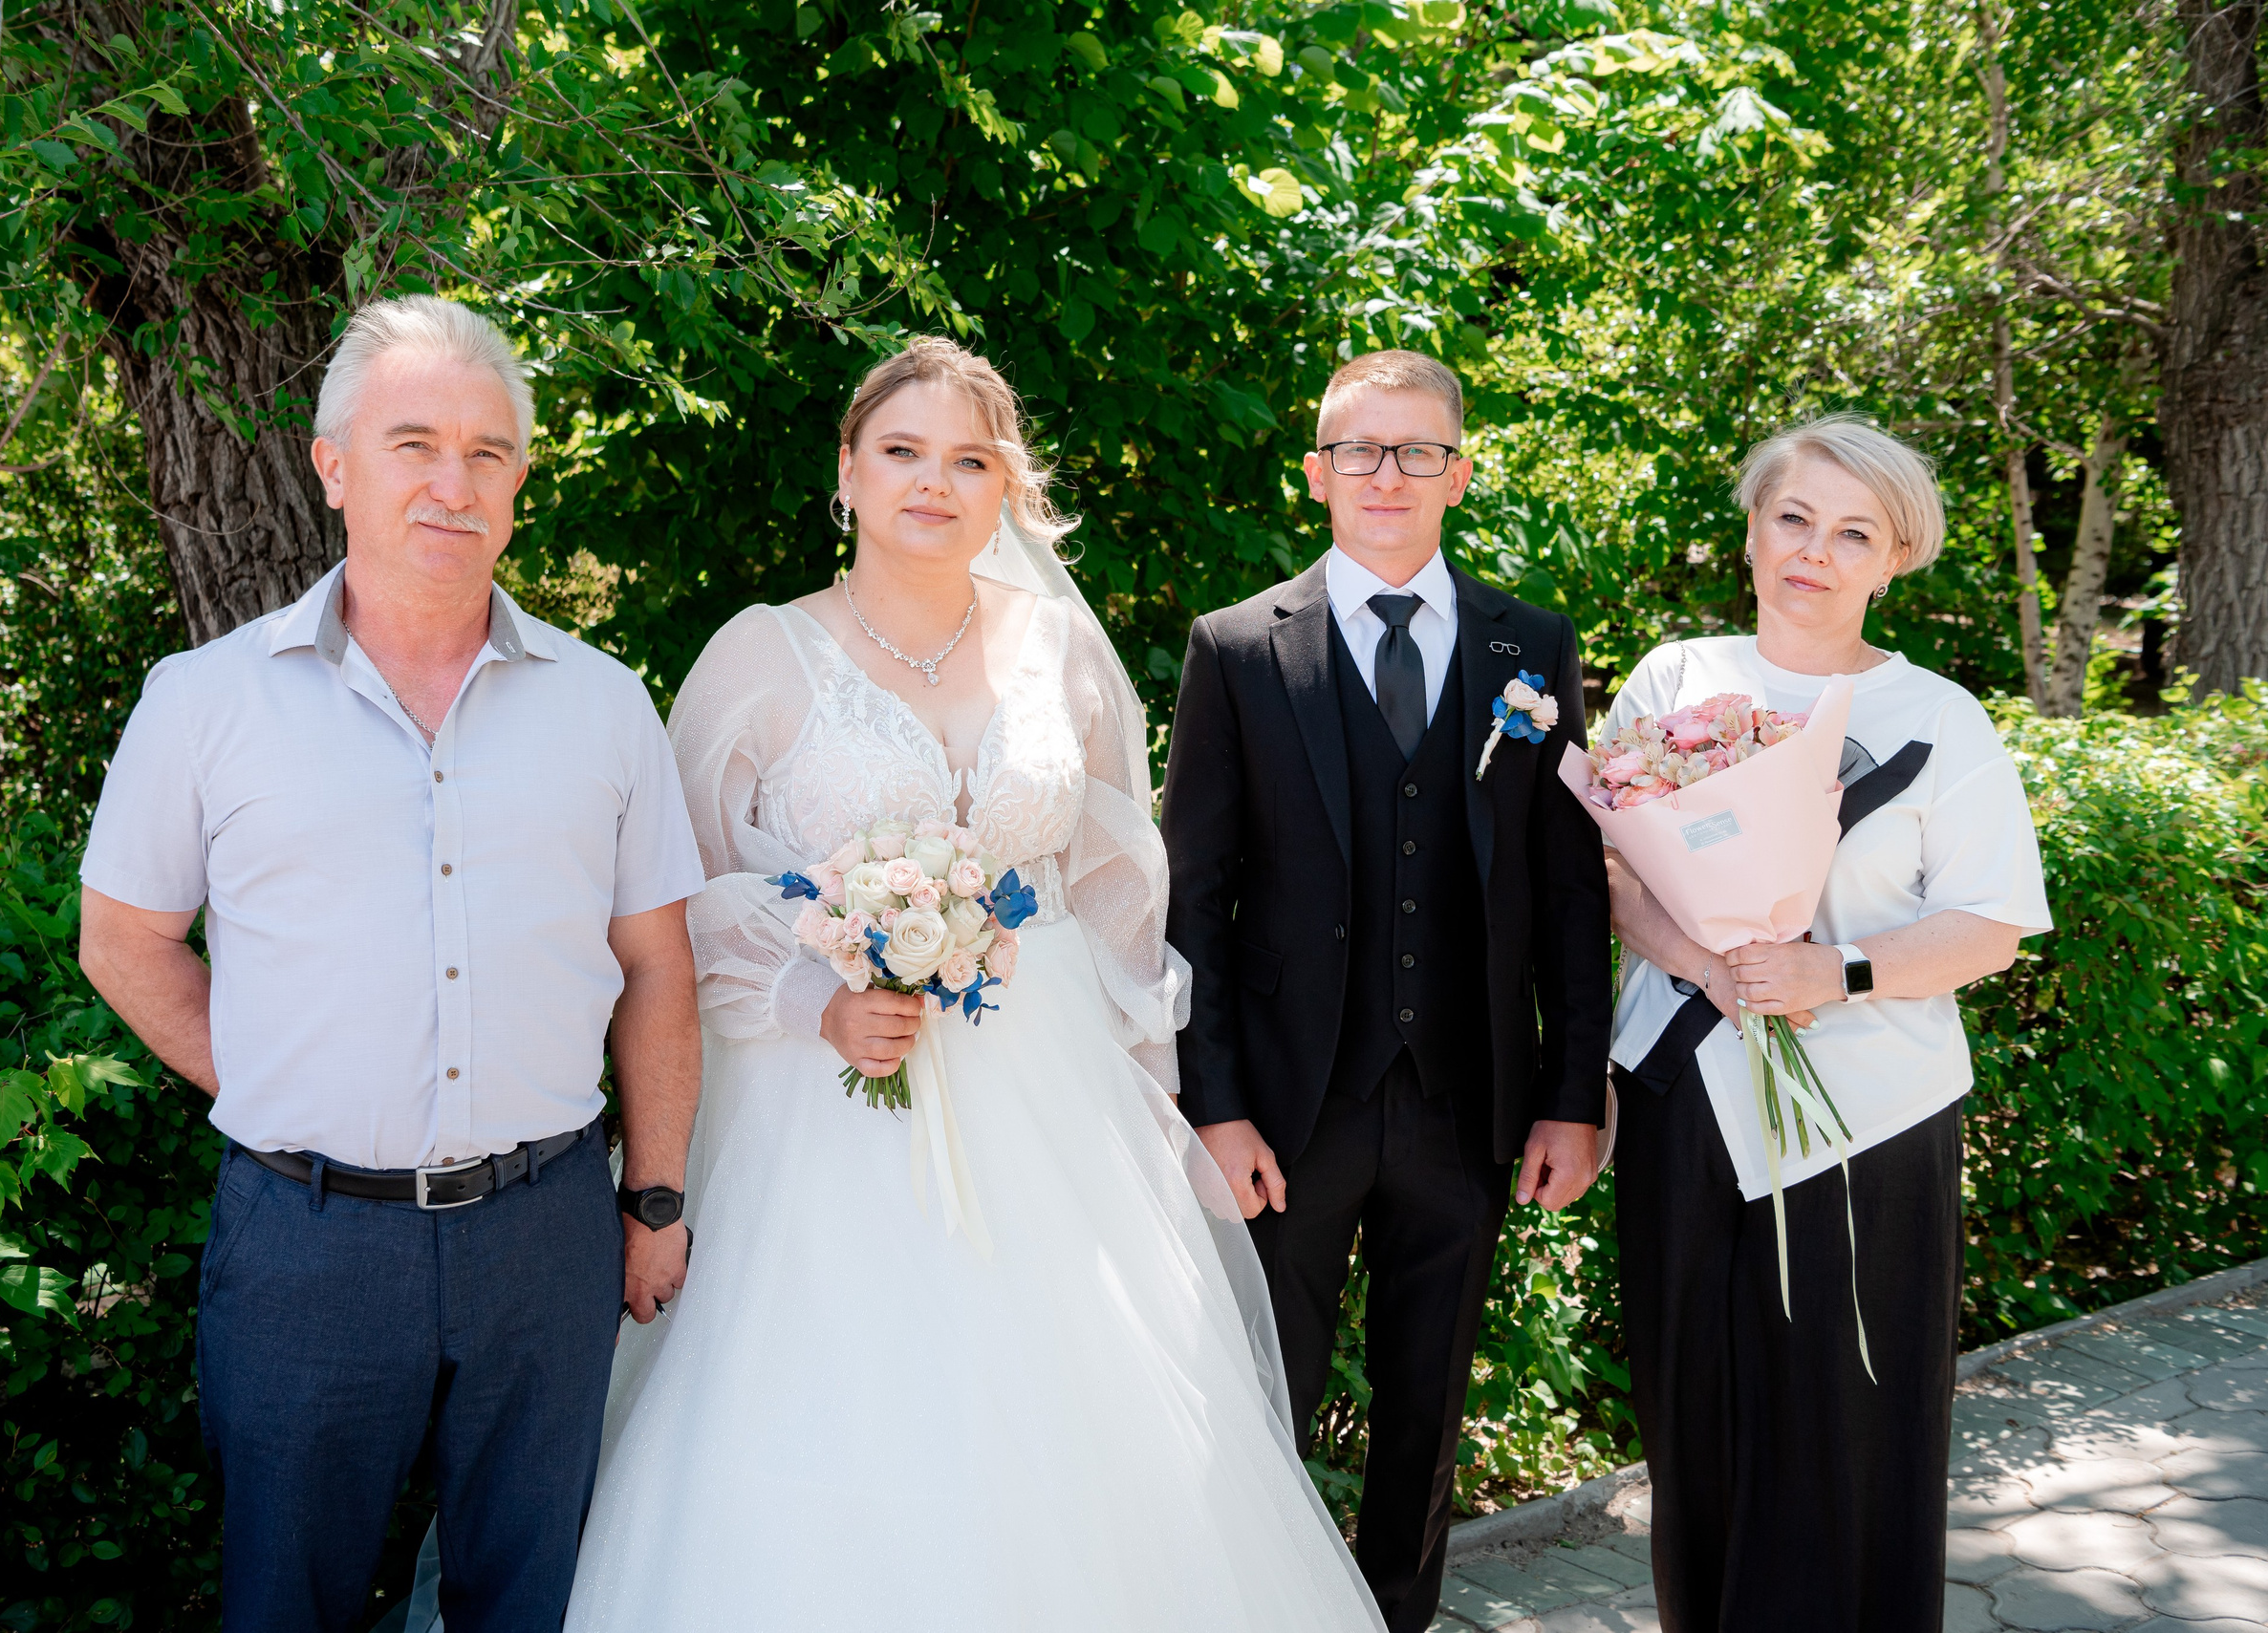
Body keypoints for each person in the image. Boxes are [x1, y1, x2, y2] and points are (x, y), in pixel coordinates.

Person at [559, 337, 1384, 1631]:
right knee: (838, 1411)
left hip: (1051, 1099)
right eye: (901, 452)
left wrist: (1166, 1100)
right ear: (846, 471)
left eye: (968, 460)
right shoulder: (759, 657)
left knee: (1084, 1424)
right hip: (821, 1104)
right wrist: (812, 1000)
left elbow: (1121, 885)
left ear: (1006, 489)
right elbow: (675, 914)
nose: (932, 484)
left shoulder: (1059, 648)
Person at [76, 295, 707, 1633]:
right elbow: (125, 941)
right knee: (285, 1601)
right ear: (332, 463)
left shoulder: (604, 703)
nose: (451, 481)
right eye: (413, 441)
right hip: (307, 1241)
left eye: (488, 452)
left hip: (545, 1234)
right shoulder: (206, 702)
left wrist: (653, 1197)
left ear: (521, 481)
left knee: (527, 1598)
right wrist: (268, 1080)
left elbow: (658, 962)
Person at [1159, 350, 1612, 1632]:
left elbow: (1570, 892)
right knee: (1261, 1405)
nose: (1387, 473)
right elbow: (1193, 898)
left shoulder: (1535, 645)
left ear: (1460, 473)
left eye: (1418, 449)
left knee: (1427, 1416)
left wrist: (1573, 1095)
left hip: (1466, 1108)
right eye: (1359, 449)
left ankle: (1395, 1619)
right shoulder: (1240, 648)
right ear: (1316, 475)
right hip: (1291, 1111)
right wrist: (1217, 1105)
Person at [1602, 413, 2051, 1633]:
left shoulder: (1941, 717)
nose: (1815, 550)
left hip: (1870, 1123)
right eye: (1793, 517)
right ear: (1751, 527)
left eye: (1853, 532)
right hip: (1683, 1097)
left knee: (1846, 1429)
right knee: (1693, 1420)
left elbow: (1990, 925)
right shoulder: (1674, 677)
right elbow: (1607, 870)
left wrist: (1830, 972)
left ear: (1892, 558)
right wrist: (1708, 961)